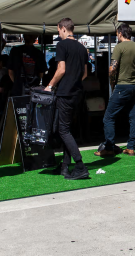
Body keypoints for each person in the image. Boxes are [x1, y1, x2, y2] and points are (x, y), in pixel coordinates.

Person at [95, 23, 135, 157]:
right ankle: (131, 147)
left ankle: (109, 147)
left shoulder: (119, 47)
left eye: (116, 34)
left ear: (120, 33)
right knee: (134, 116)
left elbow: (112, 68)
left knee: (108, 117)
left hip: (122, 86)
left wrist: (111, 80)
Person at [45, 18, 89, 180]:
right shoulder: (82, 48)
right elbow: (84, 74)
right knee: (66, 130)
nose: (58, 34)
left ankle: (79, 165)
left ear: (63, 29)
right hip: (77, 93)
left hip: (65, 93)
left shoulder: (62, 45)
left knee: (62, 130)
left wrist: (50, 85)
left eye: (58, 31)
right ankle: (64, 166)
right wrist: (74, 81)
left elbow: (61, 69)